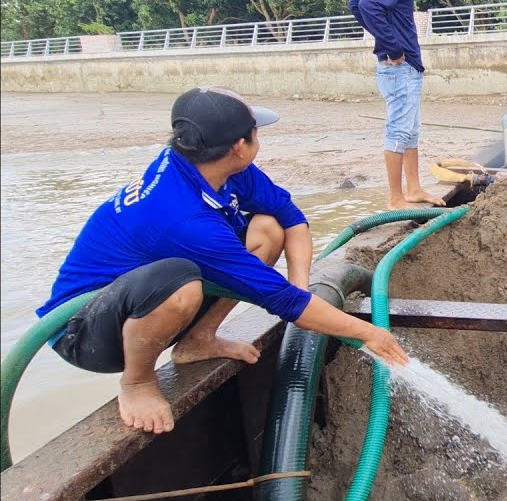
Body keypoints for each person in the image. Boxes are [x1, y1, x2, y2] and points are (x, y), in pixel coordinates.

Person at [36, 86, 409, 435]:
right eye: (256, 133)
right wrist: (367, 333)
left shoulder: (216, 169)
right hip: (86, 331)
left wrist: (301, 284)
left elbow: (291, 218)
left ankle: (199, 340)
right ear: (239, 146)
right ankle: (137, 382)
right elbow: (284, 303)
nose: (258, 140)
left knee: (266, 229)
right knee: (178, 282)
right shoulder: (183, 218)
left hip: (143, 307)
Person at [349, 0, 446, 210]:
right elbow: (367, 5)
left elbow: (356, 3)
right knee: (399, 131)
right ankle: (395, 198)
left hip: (403, 68)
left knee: (410, 129)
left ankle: (413, 188)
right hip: (400, 68)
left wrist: (385, 40)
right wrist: (392, 48)